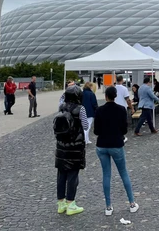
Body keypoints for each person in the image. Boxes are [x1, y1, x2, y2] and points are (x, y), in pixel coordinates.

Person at [94, 86, 139, 216]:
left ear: (106, 96)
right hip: (116, 145)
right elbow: (124, 130)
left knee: (106, 174)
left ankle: (108, 207)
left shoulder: (99, 110)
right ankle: (131, 203)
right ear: (115, 96)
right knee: (123, 172)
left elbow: (96, 131)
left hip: (102, 145)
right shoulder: (121, 110)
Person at [55, 85, 88, 216]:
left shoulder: (61, 107)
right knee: (73, 176)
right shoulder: (81, 109)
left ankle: (61, 203)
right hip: (75, 146)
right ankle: (71, 204)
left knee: (61, 175)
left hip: (61, 145)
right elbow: (85, 125)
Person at [114, 75, 134, 143]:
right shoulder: (124, 89)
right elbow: (127, 100)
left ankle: (116, 135)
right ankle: (122, 137)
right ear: (122, 80)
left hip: (115, 107)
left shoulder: (114, 88)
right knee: (122, 123)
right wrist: (132, 108)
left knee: (116, 123)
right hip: (122, 107)